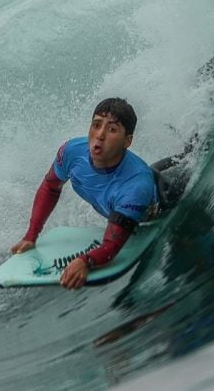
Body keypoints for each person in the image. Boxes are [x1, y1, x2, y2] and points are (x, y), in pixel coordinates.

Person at [11, 97, 185, 289]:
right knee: (184, 154)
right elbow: (50, 187)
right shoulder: (71, 152)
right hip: (148, 176)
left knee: (190, 160)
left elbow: (111, 246)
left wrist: (86, 261)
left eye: (112, 129)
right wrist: (31, 236)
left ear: (127, 141)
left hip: (169, 195)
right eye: (96, 125)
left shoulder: (134, 187)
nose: (100, 135)